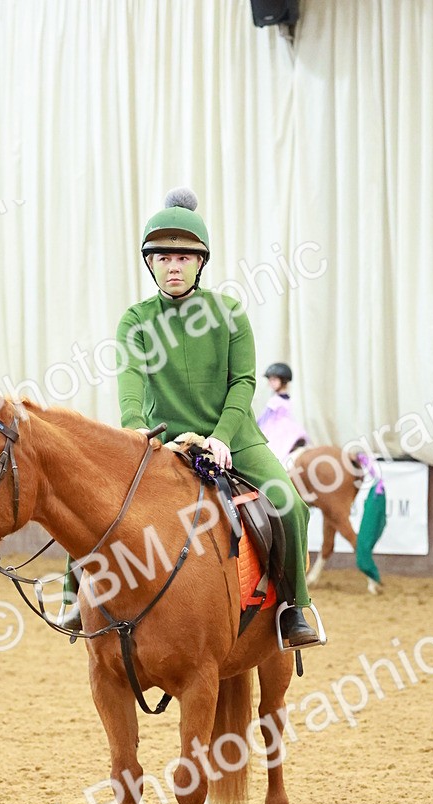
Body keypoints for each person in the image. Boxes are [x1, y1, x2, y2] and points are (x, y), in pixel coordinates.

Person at [63, 189, 321, 649]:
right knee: (89, 497)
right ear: (151, 263)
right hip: (163, 439)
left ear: (201, 263)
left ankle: (292, 609)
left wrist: (222, 436)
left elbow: (243, 382)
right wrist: (133, 428)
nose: (174, 265)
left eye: (184, 256)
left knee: (289, 502)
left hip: (234, 438)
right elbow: (131, 377)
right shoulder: (136, 321)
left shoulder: (230, 314)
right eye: (163, 257)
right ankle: (74, 593)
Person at [257, 363, 311, 465]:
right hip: (286, 426)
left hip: (276, 429)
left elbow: (263, 418)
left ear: (283, 380)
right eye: (270, 380)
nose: (270, 383)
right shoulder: (286, 398)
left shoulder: (274, 401)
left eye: (274, 380)